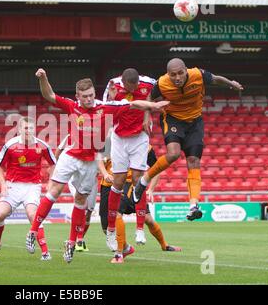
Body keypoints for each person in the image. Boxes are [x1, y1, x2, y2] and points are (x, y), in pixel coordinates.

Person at [26, 68, 169, 263]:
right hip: (71, 155)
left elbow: (134, 103)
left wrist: (153, 106)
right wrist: (43, 78)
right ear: (78, 96)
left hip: (90, 162)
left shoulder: (106, 107)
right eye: (84, 96)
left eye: (91, 95)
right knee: (54, 190)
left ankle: (71, 243)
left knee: (81, 202)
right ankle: (33, 230)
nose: (88, 99)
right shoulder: (72, 106)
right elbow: (48, 94)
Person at [132, 58, 243, 221]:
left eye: (180, 73)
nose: (177, 77)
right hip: (173, 119)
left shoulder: (198, 75)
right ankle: (144, 180)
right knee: (173, 154)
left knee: (194, 161)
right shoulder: (162, 83)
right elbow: (149, 97)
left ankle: (193, 205)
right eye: (173, 75)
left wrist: (231, 83)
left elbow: (216, 79)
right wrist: (146, 117)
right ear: (168, 75)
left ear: (186, 70)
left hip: (195, 122)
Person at [0, 117, 56, 261]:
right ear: (19, 130)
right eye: (25, 128)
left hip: (32, 186)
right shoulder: (11, 145)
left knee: (32, 214)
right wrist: (3, 184)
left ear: (34, 129)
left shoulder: (42, 145)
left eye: (30, 128)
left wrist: (50, 181)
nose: (28, 131)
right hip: (13, 186)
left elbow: (53, 164)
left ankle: (45, 252)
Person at [102, 68, 156, 249]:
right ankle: (110, 229)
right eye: (128, 88)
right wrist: (111, 98)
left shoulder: (149, 83)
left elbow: (158, 94)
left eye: (134, 88)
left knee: (138, 180)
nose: (131, 91)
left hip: (140, 136)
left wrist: (148, 116)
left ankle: (140, 228)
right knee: (117, 183)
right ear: (123, 83)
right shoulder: (113, 85)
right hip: (119, 138)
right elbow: (104, 110)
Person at [102, 145, 182, 264]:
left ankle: (163, 245)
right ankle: (123, 249)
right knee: (110, 223)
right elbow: (99, 163)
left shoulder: (146, 147)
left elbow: (157, 169)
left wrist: (151, 189)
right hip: (115, 185)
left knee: (147, 219)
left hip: (134, 184)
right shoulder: (112, 144)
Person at [56, 134, 97, 252]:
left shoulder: (101, 139)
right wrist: (58, 167)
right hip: (76, 177)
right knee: (82, 204)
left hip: (91, 178)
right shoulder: (70, 135)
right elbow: (58, 150)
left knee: (89, 211)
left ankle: (80, 238)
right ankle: (77, 240)